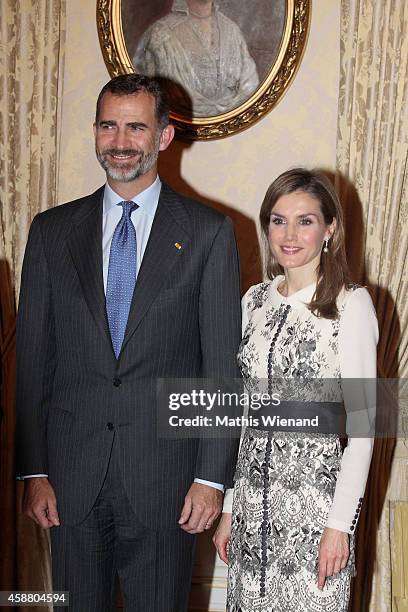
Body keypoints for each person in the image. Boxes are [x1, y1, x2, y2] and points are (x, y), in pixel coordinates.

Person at [15, 74, 241, 611]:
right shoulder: (50, 232)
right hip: (70, 484)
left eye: (136, 127)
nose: (120, 141)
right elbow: (32, 364)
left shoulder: (210, 234)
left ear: (164, 136)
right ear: (95, 132)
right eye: (108, 126)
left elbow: (220, 369)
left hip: (167, 482)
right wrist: (34, 470)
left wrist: (212, 478)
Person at [213, 168, 378, 611]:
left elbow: (363, 431)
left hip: (314, 514)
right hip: (251, 513)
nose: (289, 234)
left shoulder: (351, 304)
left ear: (331, 228)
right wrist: (230, 506)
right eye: (277, 219)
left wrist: (339, 525)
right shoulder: (254, 300)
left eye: (305, 220)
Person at [133, 0, 259, 116]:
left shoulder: (232, 30)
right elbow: (150, 97)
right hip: (180, 128)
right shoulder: (160, 34)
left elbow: (250, 85)